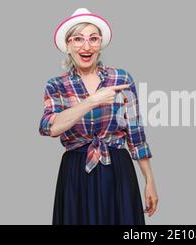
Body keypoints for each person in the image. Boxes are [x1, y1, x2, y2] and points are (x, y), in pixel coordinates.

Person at [39, 8, 158, 225]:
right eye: (78, 39)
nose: (86, 46)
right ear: (68, 45)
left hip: (117, 170)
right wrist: (93, 100)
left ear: (100, 44)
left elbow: (136, 134)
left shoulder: (120, 78)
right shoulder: (56, 85)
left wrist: (149, 180)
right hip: (76, 173)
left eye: (93, 39)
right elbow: (51, 127)